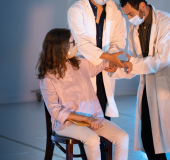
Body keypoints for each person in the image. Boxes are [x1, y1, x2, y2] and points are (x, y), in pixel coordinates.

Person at [111, 0, 170, 160]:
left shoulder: (168, 24)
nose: (129, 19)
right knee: (148, 138)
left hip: (168, 89)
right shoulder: (134, 28)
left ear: (142, 6)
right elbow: (134, 61)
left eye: (130, 14)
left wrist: (132, 64)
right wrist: (119, 68)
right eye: (126, 15)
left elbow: (161, 60)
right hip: (148, 88)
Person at [37, 28, 130, 160]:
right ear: (60, 47)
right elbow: (56, 112)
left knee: (122, 137)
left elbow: (102, 64)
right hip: (67, 124)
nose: (75, 45)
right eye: (72, 42)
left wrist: (122, 64)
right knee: (92, 139)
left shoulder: (80, 63)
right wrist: (86, 119)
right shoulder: (48, 78)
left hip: (92, 117)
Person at [67, 0, 127, 125]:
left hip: (105, 70)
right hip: (85, 68)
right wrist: (108, 58)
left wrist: (111, 59)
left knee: (103, 114)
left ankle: (102, 147)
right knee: (87, 116)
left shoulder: (114, 9)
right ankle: (92, 147)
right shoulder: (76, 10)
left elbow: (119, 38)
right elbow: (82, 43)